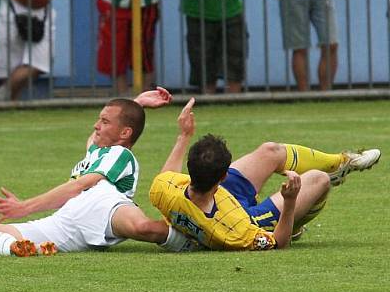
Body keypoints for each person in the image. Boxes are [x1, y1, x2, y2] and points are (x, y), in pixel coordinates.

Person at [0, 88, 196, 256]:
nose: (96, 125)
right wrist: (137, 103)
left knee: (143, 227)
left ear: (124, 133)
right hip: (66, 221)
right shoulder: (95, 153)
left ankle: (193, 240)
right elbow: (103, 133)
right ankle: (27, 249)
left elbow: (79, 186)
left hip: (106, 208)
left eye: (104, 121)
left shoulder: (119, 154)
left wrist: (25, 207)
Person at [149, 98, 381, 250]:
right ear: (223, 177)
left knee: (270, 150)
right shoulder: (235, 229)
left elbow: (167, 176)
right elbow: (279, 244)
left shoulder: (164, 189)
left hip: (217, 198)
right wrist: (289, 202)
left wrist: (184, 135)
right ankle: (293, 223)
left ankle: (341, 163)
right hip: (243, 215)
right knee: (318, 180)